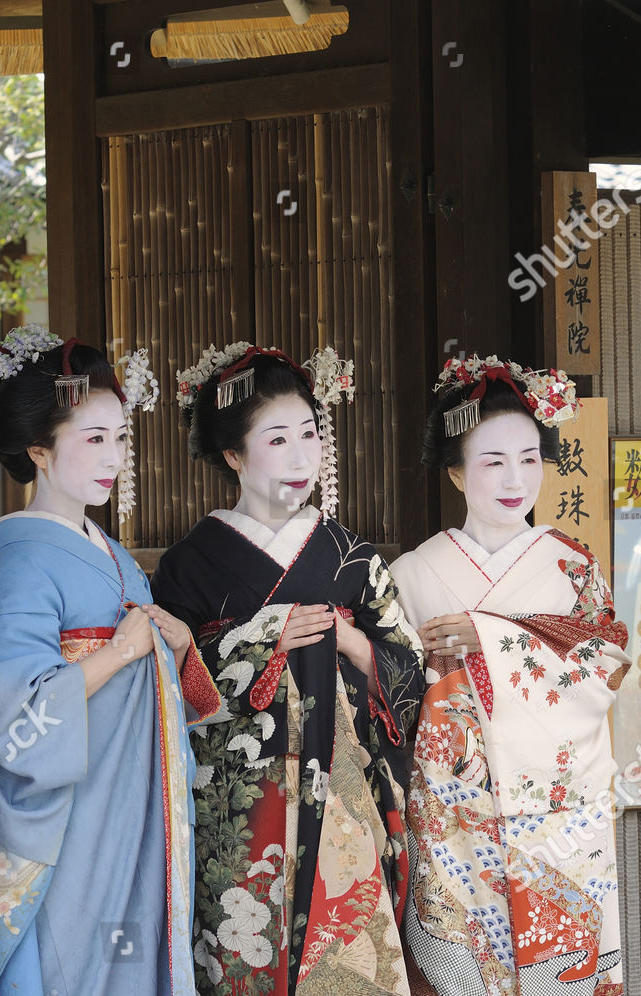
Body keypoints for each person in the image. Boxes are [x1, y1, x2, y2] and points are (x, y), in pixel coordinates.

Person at [0, 328, 221, 995]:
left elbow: (154, 686)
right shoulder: (22, 560)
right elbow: (13, 712)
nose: (114, 457)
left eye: (120, 438)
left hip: (133, 800)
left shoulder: (112, 552)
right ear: (38, 450)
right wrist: (124, 651)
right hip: (73, 816)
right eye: (92, 439)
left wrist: (172, 646)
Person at [151, 343, 424, 995]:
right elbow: (164, 685)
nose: (303, 455)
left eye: (310, 434)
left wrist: (359, 650)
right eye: (278, 439)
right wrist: (257, 641)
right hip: (237, 812)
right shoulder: (190, 566)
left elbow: (410, 669)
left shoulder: (349, 555)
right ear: (233, 455)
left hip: (342, 801)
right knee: (245, 959)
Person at [392, 357, 630, 996]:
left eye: (529, 458)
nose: (515, 478)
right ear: (455, 471)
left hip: (557, 806)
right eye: (493, 461)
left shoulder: (572, 564)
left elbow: (606, 659)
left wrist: (491, 638)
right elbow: (392, 691)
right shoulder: (413, 573)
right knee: (460, 971)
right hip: (452, 810)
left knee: (561, 968)